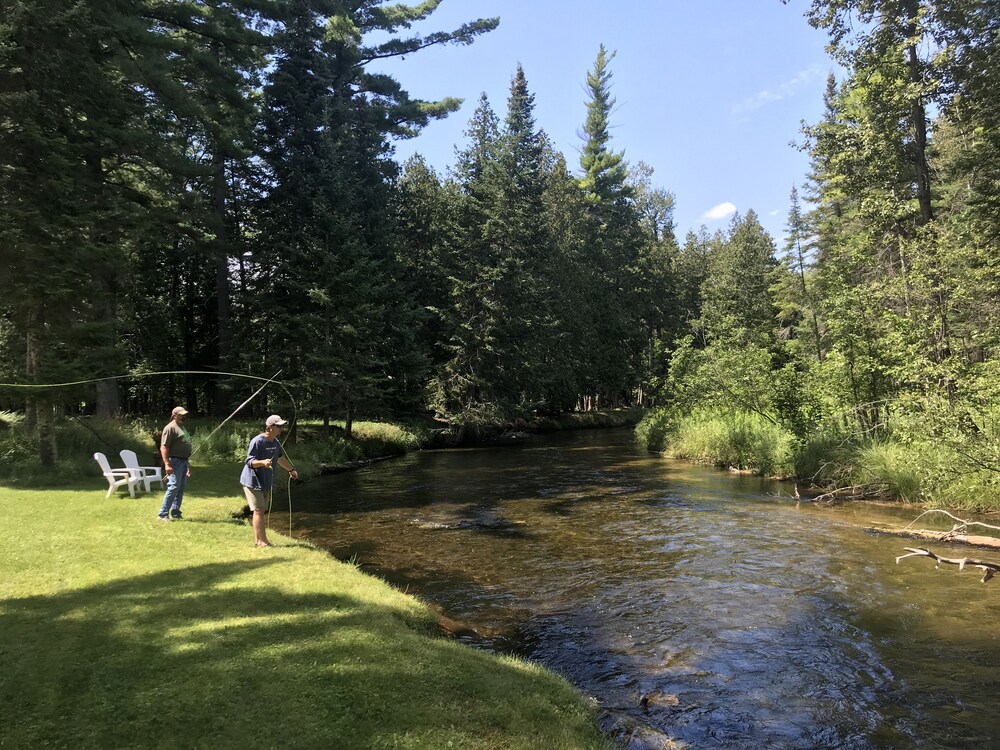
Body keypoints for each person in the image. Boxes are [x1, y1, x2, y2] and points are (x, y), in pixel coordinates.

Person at [240, 414, 298, 547]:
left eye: (282, 426)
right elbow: (249, 461)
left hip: (265, 481)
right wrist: (262, 462)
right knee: (259, 510)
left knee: (261, 510)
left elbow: (279, 458)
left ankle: (258, 540)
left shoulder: (276, 442)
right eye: (279, 426)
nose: (281, 429)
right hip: (252, 481)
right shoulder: (257, 441)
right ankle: (262, 541)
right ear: (270, 427)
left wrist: (290, 470)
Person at [158, 406, 193, 521]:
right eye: (181, 415)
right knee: (173, 487)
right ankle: (163, 514)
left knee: (180, 488)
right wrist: (167, 464)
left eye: (184, 415)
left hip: (183, 461)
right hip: (175, 461)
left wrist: (187, 464)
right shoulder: (170, 428)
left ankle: (176, 512)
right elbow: (164, 447)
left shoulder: (181, 427)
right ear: (174, 415)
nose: (184, 416)